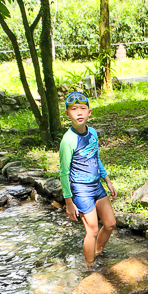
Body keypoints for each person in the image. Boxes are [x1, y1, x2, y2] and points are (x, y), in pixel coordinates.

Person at [59, 91, 116, 264]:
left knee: (110, 223)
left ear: (89, 112)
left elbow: (95, 158)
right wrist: (69, 202)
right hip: (81, 190)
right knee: (92, 230)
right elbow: (64, 173)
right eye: (74, 109)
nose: (79, 112)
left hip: (96, 186)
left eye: (83, 108)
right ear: (68, 114)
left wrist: (107, 180)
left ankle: (97, 251)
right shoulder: (68, 140)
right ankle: (90, 269)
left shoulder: (92, 133)